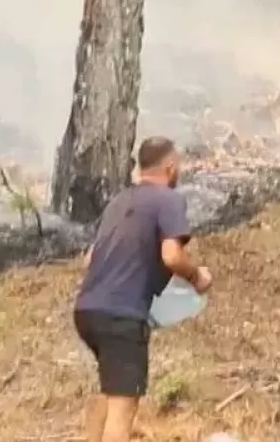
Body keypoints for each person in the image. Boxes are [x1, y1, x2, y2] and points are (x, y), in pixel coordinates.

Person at [73, 136, 213, 442]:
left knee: (112, 396)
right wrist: (197, 278)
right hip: (122, 316)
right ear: (170, 167)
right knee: (122, 413)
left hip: (87, 310)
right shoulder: (168, 199)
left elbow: (89, 259)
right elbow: (172, 255)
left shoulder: (119, 201)